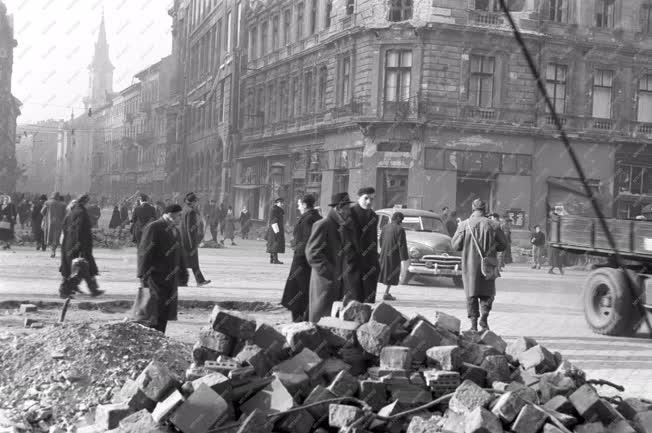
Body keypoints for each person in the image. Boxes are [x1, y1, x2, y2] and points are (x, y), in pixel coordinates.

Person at [131, 204, 188, 334]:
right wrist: (142, 275)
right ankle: (150, 337)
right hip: (155, 277)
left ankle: (160, 336)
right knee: (152, 310)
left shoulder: (175, 230)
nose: (180, 218)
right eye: (179, 215)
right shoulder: (154, 227)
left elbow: (180, 253)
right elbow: (144, 252)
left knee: (165, 310)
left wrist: (184, 272)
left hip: (170, 278)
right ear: (171, 214)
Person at [451, 199, 507, 332]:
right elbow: (503, 245)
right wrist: (492, 247)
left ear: (473, 208)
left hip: (470, 267)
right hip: (487, 265)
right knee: (487, 293)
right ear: (485, 208)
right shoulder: (493, 224)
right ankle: (484, 319)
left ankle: (474, 325)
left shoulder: (464, 225)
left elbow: (455, 246)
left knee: (471, 294)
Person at [306, 192, 360, 323]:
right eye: (347, 208)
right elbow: (312, 253)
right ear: (339, 208)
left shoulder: (343, 226)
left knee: (332, 318)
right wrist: (329, 271)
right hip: (324, 281)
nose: (349, 212)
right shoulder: (323, 224)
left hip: (339, 281)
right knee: (319, 315)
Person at [281, 194, 322, 322]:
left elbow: (308, 240)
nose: (298, 207)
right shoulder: (314, 217)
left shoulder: (309, 218)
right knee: (302, 291)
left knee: (298, 291)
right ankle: (302, 318)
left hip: (302, 261)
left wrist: (298, 248)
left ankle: (299, 321)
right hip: (305, 260)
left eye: (299, 204)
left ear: (304, 205)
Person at [59, 194, 103, 298]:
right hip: (80, 245)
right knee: (80, 269)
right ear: (85, 202)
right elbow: (80, 231)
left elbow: (64, 229)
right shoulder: (81, 213)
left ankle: (93, 289)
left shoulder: (70, 213)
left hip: (69, 245)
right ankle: (65, 290)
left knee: (81, 269)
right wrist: (81, 247)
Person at [350, 187, 380, 304]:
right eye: (366, 198)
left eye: (372, 199)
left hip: (370, 263)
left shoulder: (373, 216)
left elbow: (373, 239)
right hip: (354, 263)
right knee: (354, 301)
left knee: (368, 301)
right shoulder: (350, 213)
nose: (369, 202)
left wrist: (376, 262)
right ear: (359, 198)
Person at [180, 192, 211, 287]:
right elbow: (190, 228)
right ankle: (183, 281)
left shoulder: (184, 209)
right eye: (196, 201)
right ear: (193, 202)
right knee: (189, 262)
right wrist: (192, 243)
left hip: (183, 239)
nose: (197, 203)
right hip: (189, 240)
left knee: (190, 262)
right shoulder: (191, 211)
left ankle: (199, 280)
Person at [378, 212, 409, 301]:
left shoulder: (385, 227)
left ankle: (385, 292)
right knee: (391, 275)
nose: (402, 222)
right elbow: (402, 245)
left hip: (384, 254)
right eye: (401, 220)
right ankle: (386, 293)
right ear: (398, 218)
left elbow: (381, 241)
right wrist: (404, 258)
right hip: (393, 256)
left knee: (384, 273)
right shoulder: (400, 229)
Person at [42, 192, 67, 258]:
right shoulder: (63, 204)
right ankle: (53, 249)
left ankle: (52, 250)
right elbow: (65, 214)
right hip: (59, 223)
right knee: (56, 237)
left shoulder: (47, 203)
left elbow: (42, 212)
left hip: (50, 223)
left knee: (50, 236)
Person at [266, 198, 286, 264]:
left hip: (276, 227)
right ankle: (275, 259)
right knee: (275, 243)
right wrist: (276, 230)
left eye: (282, 203)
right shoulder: (275, 210)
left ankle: (272, 259)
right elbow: (274, 220)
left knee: (273, 243)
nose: (282, 204)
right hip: (275, 228)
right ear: (276, 203)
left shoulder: (279, 210)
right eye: (280, 203)